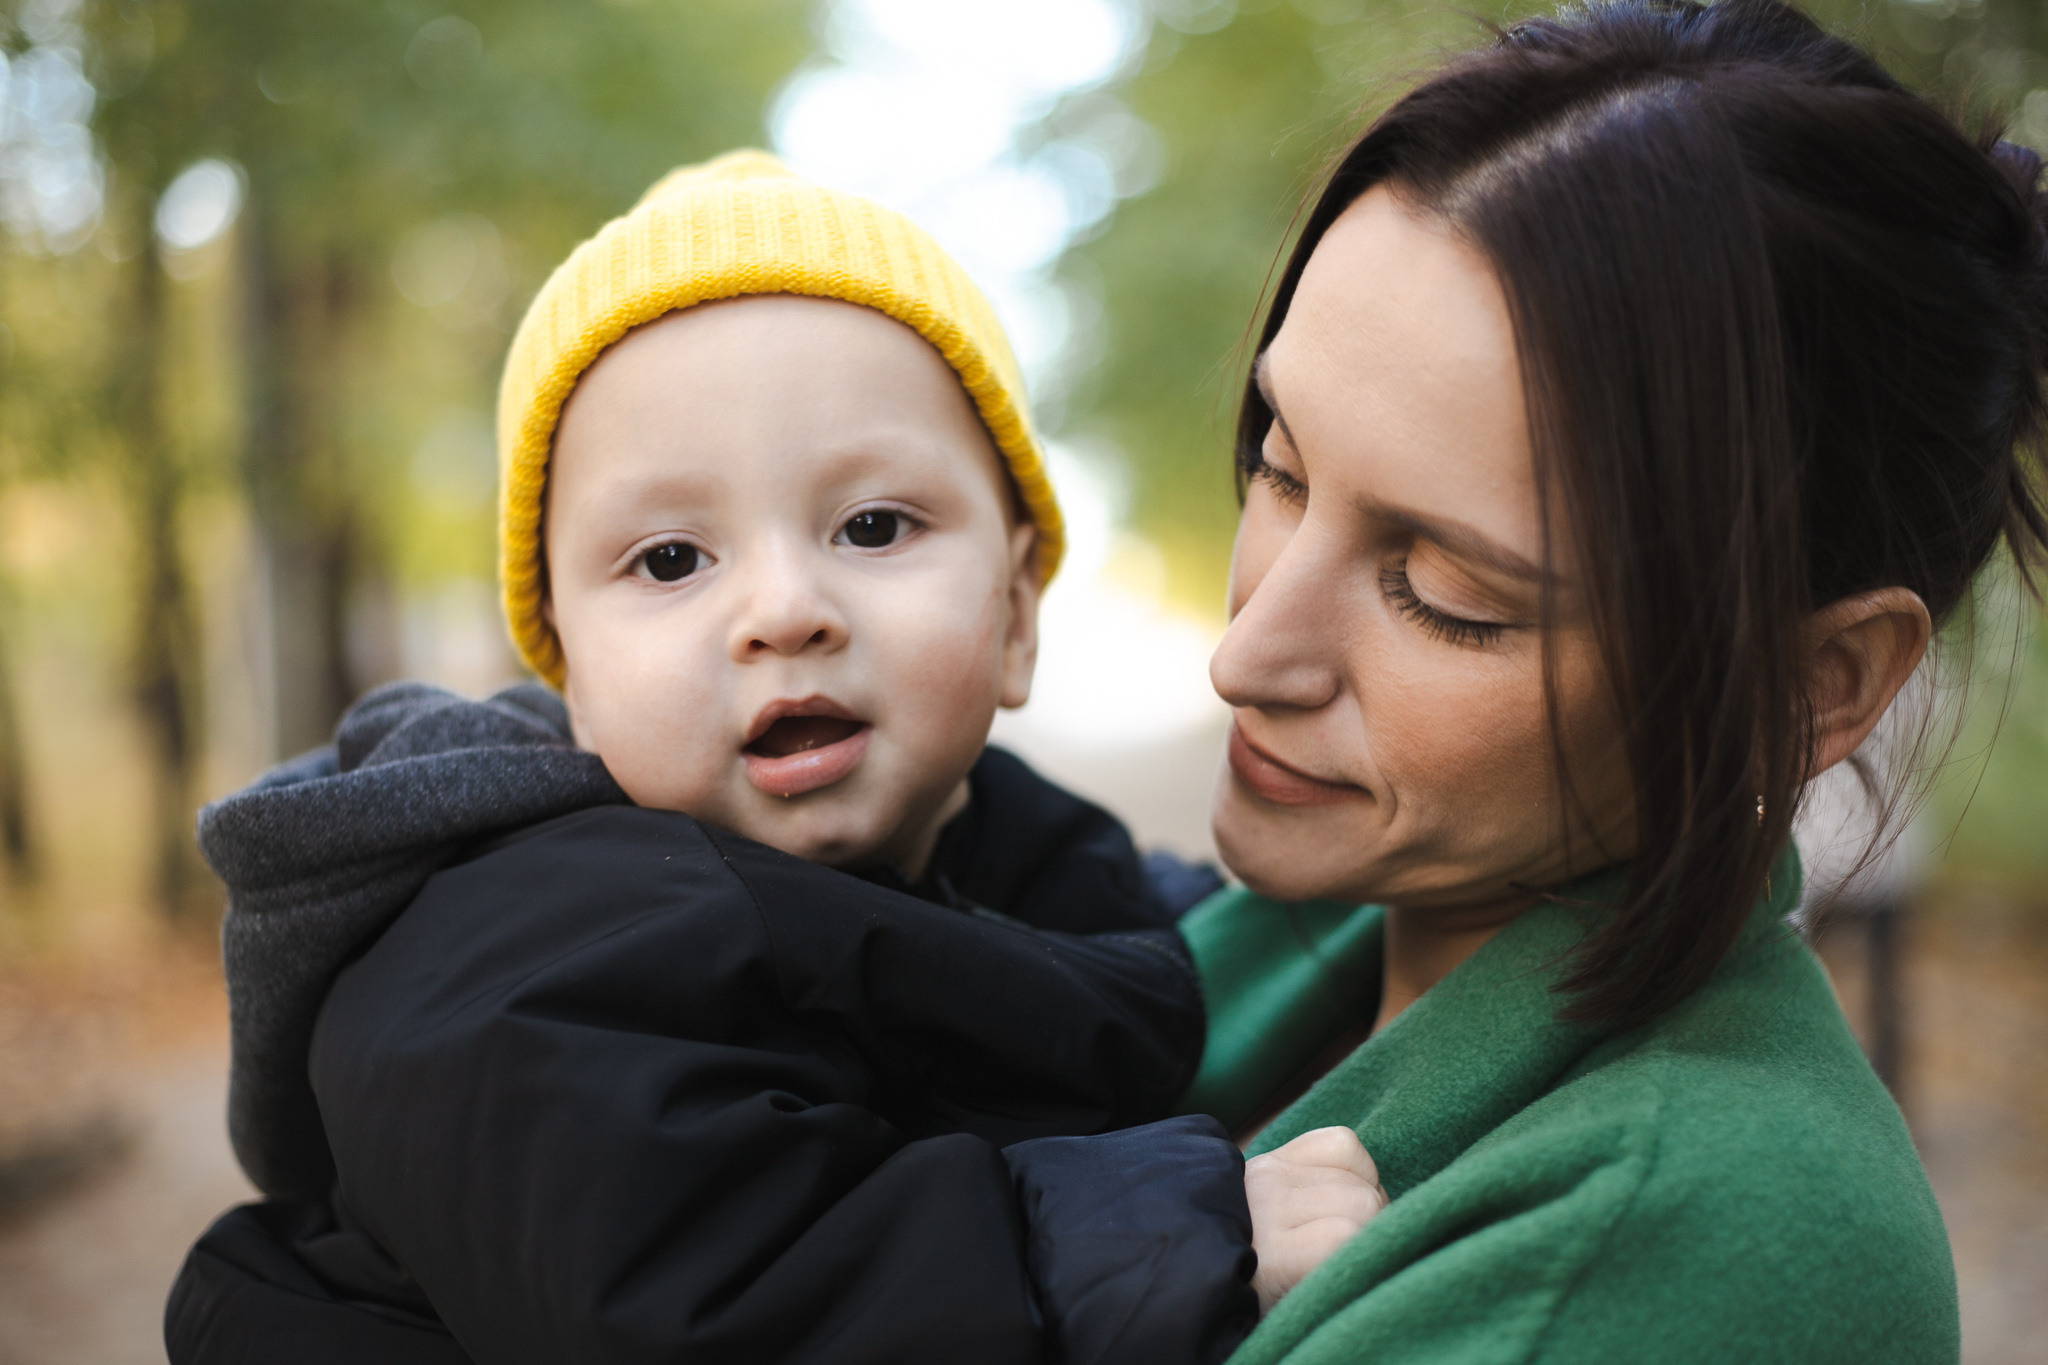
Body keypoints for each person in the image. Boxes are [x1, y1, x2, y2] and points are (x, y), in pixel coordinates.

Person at [166, 152, 1277, 1365]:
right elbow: (700, 1307)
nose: (784, 610)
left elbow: (1052, 970)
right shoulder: (514, 969)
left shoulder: (1030, 866)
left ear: (1015, 613)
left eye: (871, 527)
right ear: (568, 677)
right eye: (669, 560)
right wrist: (1149, 1229)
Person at [1172, 0, 2045, 1359]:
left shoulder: (1692, 1248)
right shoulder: (1266, 949)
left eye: (1446, 595)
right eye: (1279, 469)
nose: (1247, 654)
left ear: (1819, 682)